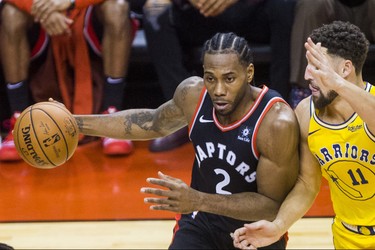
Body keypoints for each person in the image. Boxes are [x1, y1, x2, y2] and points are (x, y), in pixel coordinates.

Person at [72, 32, 300, 249]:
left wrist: (198, 200)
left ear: (249, 73)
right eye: (211, 78)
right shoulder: (193, 95)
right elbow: (151, 122)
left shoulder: (276, 122)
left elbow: (272, 206)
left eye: (229, 79)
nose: (218, 90)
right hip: (201, 223)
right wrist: (74, 123)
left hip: (256, 231)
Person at [233, 21, 375, 249]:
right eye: (308, 64)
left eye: (317, 66)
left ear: (345, 69)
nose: (307, 74)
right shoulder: (306, 113)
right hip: (347, 236)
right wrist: (279, 226)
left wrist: (337, 84)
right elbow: (308, 184)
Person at [142, 0, 296, 152]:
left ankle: (276, 113)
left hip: (251, 13)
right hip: (200, 14)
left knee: (284, 5)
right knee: (155, 8)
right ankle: (183, 115)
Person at [0, 0, 135, 161]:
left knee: (117, 7)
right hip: (38, 13)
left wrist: (72, 2)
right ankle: (20, 122)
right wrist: (43, 11)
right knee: (11, 14)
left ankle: (114, 117)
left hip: (86, 11)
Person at [289, 0, 375, 109]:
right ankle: (302, 92)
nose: (307, 76)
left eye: (316, 66)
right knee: (311, 5)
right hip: (330, 4)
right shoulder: (303, 111)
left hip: (366, 6)